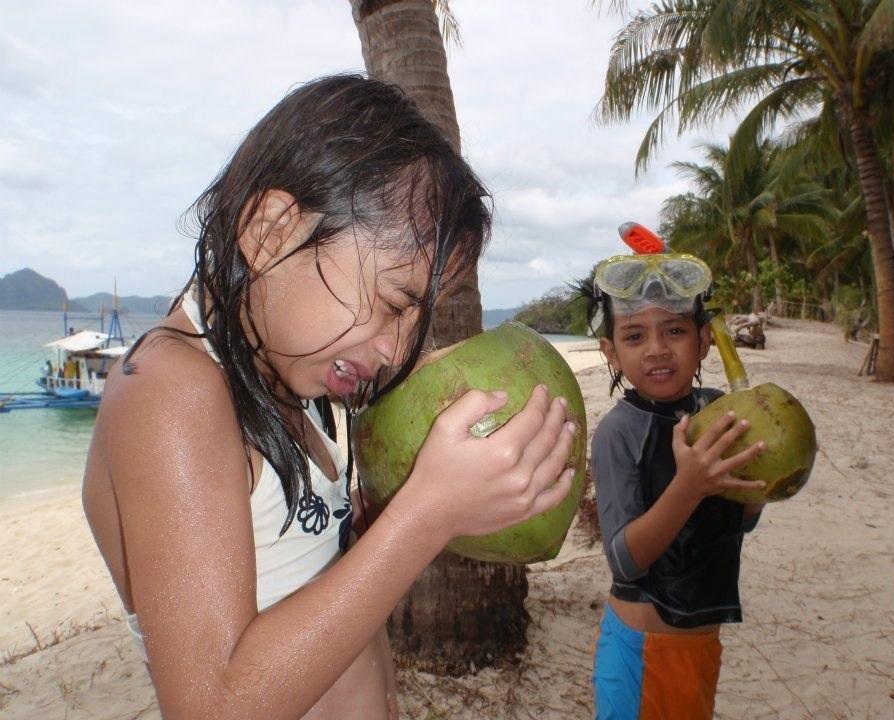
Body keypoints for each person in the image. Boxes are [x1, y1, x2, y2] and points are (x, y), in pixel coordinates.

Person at [82, 75, 577, 720]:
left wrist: (385, 520)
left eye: (419, 323)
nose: (400, 353)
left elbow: (307, 595)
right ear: (271, 231)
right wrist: (423, 517)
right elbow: (212, 704)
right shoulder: (172, 391)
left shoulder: (287, 386)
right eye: (395, 302)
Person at [587, 224, 766, 720]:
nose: (657, 349)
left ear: (704, 340)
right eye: (635, 336)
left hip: (700, 647)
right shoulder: (618, 433)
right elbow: (625, 561)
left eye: (674, 330)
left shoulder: (718, 412)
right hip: (643, 653)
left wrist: (755, 491)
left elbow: (738, 519)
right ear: (611, 352)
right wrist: (689, 486)